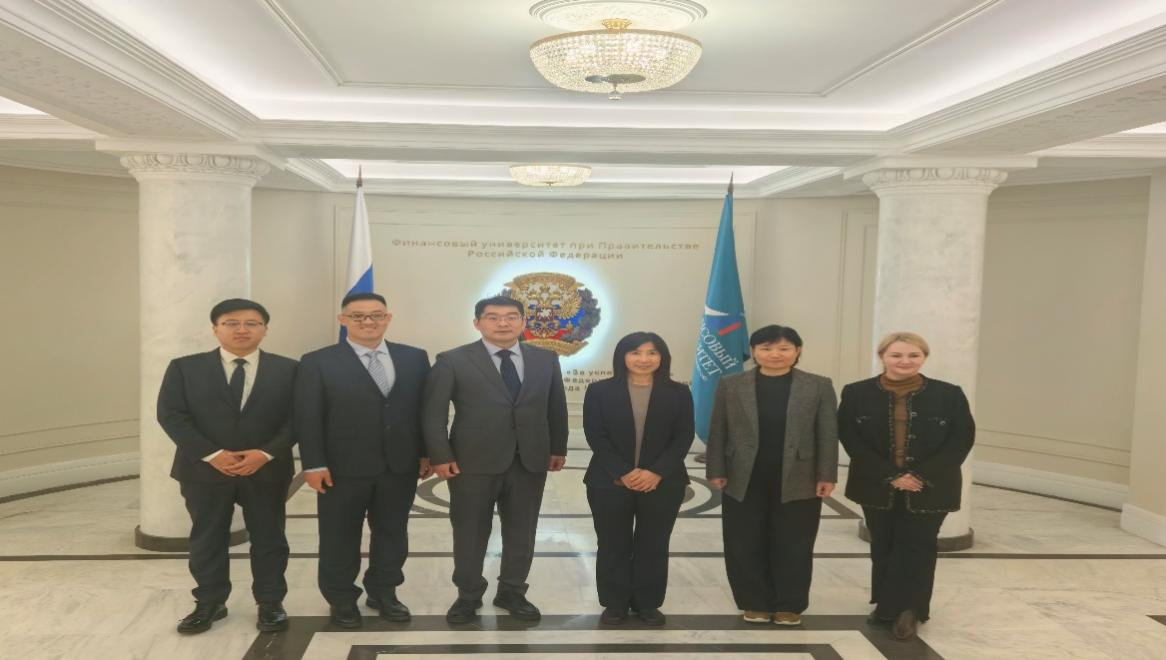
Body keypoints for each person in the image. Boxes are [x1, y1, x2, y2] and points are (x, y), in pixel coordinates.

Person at [422, 295, 569, 624]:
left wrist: (557, 447)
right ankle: (468, 594)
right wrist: (440, 455)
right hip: (471, 463)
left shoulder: (546, 359)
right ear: (477, 323)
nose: (503, 323)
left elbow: (555, 407)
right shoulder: (452, 360)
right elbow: (433, 414)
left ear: (523, 322)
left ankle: (512, 591)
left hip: (529, 460)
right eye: (492, 317)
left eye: (511, 316)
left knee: (522, 531)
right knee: (470, 532)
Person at [157, 298, 297, 634]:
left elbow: (298, 418)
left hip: (266, 470)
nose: (241, 329)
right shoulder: (184, 368)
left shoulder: (290, 369)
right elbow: (171, 415)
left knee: (270, 537)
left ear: (265, 329)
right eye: (231, 323)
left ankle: (270, 602)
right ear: (215, 329)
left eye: (251, 323)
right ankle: (209, 602)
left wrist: (265, 453)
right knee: (207, 537)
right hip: (204, 470)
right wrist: (211, 454)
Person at [294, 292, 431, 629]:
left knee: (392, 533)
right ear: (343, 320)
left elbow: (425, 410)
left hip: (399, 466)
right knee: (339, 536)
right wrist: (313, 463)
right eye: (357, 316)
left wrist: (426, 452)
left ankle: (384, 591)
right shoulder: (317, 361)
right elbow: (307, 416)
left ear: (388, 318)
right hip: (341, 469)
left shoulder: (414, 358)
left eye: (376, 315)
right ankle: (341, 598)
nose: (368, 321)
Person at [837, 332, 974, 641]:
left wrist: (919, 476)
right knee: (883, 544)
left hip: (932, 486)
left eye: (914, 355)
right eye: (896, 355)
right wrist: (891, 475)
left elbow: (960, 441)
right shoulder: (856, 392)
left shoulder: (949, 394)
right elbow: (850, 439)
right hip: (876, 484)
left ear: (924, 358)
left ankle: (910, 611)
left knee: (918, 546)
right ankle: (886, 606)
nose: (905, 361)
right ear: (882, 357)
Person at [705, 324, 839, 626]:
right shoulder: (731, 384)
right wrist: (716, 468)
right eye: (766, 348)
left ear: (797, 351)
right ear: (754, 351)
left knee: (795, 542)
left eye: (784, 348)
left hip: (800, 476)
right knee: (743, 541)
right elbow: (718, 429)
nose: (775, 354)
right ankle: (754, 601)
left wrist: (826, 474)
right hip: (743, 476)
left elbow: (828, 433)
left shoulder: (818, 385)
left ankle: (789, 604)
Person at [583, 332, 694, 626]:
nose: (643, 359)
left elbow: (683, 437)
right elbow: (595, 435)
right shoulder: (599, 391)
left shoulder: (679, 393)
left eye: (651, 353)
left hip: (663, 482)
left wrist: (656, 472)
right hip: (608, 481)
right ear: (622, 356)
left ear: (662, 357)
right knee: (612, 543)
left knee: (653, 543)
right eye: (635, 352)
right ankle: (614, 603)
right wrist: (622, 471)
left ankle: (648, 603)